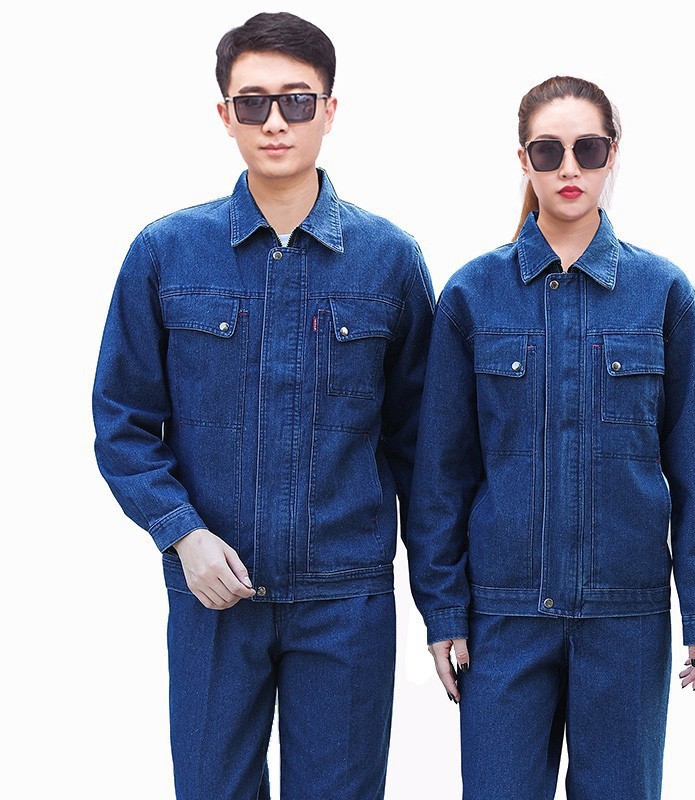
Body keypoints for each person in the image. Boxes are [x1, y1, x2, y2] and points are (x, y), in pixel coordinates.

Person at [92, 12, 434, 799]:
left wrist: (444, 605)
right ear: (225, 115)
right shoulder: (166, 253)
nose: (275, 121)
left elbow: (426, 449)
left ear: (330, 110)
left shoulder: (390, 261)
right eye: (253, 103)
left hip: (346, 603)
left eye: (297, 100)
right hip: (214, 596)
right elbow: (123, 422)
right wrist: (182, 535)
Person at [406, 75, 695, 799]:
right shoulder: (471, 295)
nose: (569, 168)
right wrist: (444, 611)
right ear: (524, 160)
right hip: (503, 617)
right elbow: (440, 474)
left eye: (589, 149)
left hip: (626, 616)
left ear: (614, 154)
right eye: (549, 151)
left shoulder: (664, 293)